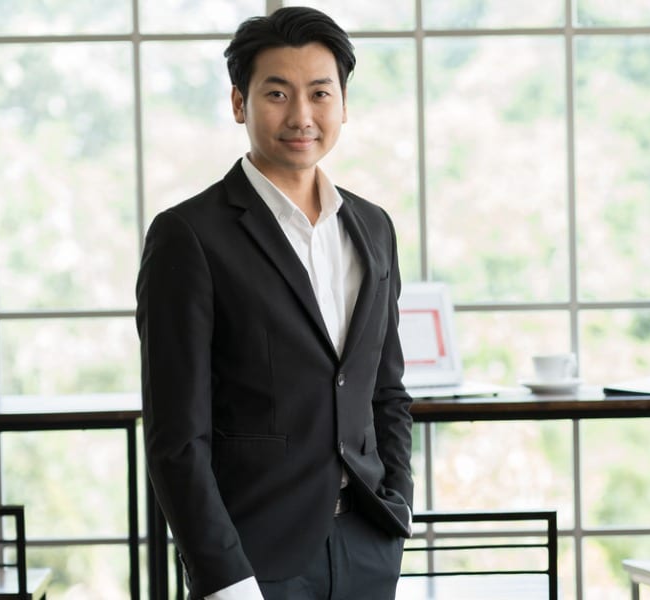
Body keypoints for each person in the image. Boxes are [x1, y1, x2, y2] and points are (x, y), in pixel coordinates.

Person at [136, 7, 413, 600]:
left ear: (343, 103)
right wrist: (223, 578)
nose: (301, 116)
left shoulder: (374, 226)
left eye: (320, 93)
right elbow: (176, 437)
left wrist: (397, 511)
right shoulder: (189, 235)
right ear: (240, 103)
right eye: (277, 94)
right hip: (254, 561)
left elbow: (386, 391)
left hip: (368, 549)